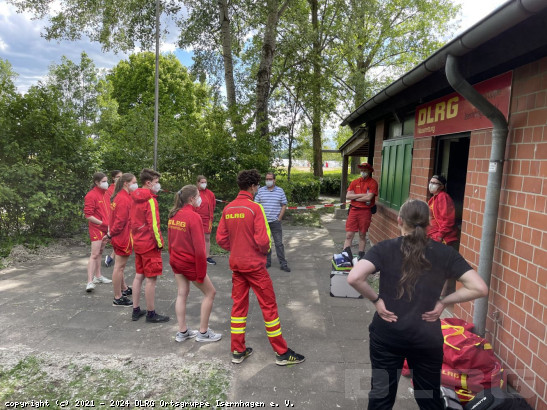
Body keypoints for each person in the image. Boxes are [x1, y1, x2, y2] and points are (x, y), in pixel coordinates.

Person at [347, 199, 488, 409]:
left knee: (381, 395)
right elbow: (480, 288)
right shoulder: (445, 253)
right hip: (426, 338)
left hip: (388, 335)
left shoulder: (385, 248)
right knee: (428, 397)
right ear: (429, 223)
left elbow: (354, 278)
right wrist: (443, 302)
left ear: (399, 220)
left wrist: (376, 300)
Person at [216, 169, 305, 366]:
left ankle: (237, 351)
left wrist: (237, 247)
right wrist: (259, 252)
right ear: (253, 186)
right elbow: (264, 241)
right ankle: (281, 353)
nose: (258, 188)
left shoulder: (228, 208)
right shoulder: (255, 208)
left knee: (238, 308)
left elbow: (220, 239)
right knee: (269, 307)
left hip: (237, 265)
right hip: (255, 267)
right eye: (257, 185)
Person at [168, 185, 222, 343]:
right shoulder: (194, 217)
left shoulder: (173, 215)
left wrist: (173, 261)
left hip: (176, 261)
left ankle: (182, 331)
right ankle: (203, 333)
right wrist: (201, 272)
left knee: (182, 293)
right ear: (191, 199)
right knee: (210, 293)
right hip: (189, 263)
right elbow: (200, 249)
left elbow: (170, 242)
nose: (200, 199)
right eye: (198, 196)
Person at [130, 168, 169, 323]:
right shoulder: (150, 200)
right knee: (151, 279)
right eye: (156, 182)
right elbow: (154, 225)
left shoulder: (133, 197)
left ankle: (136, 310)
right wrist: (160, 243)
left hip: (138, 242)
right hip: (149, 244)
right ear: (148, 183)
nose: (158, 185)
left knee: (139, 275)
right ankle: (151, 314)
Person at [109, 173, 137, 306]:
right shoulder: (124, 199)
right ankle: (118, 297)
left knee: (119, 267)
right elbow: (120, 221)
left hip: (119, 236)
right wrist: (111, 234)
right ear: (126, 183)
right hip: (123, 237)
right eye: (134, 182)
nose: (136, 185)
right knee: (119, 267)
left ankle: (123, 289)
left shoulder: (120, 196)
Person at [342, 162, 378, 262]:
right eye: (361, 170)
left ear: (369, 171)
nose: (363, 172)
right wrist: (362, 195)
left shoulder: (373, 183)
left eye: (365, 170)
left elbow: (369, 198)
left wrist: (355, 197)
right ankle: (345, 255)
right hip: (353, 211)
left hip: (365, 212)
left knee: (362, 235)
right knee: (349, 235)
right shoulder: (355, 182)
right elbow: (348, 196)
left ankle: (361, 255)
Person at [254, 172, 290, 272]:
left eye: (270, 179)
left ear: (274, 180)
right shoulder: (260, 191)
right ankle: (267, 262)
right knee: (265, 243)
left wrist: (280, 218)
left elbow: (284, 204)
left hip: (275, 222)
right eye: (267, 179)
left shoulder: (280, 191)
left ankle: (283, 264)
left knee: (279, 243)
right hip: (263, 223)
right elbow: (256, 205)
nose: (268, 181)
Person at [83, 172, 113, 292]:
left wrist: (109, 226)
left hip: (106, 228)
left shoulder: (106, 194)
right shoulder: (91, 195)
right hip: (96, 228)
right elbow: (88, 215)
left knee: (100, 252)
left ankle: (98, 276)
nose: (106, 183)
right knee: (94, 254)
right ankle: (89, 282)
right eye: (104, 181)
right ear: (96, 182)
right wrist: (103, 223)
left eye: (107, 181)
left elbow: (109, 211)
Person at [427, 175, 459, 249]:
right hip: (431, 235)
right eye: (431, 182)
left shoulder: (443, 197)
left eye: (434, 183)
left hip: (440, 237)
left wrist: (440, 235)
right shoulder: (433, 198)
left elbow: (448, 220)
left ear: (442, 186)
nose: (431, 185)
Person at [194, 175, 217, 265]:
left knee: (207, 238)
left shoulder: (210, 194)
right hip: (196, 218)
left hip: (207, 219)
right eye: (202, 182)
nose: (204, 184)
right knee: (196, 237)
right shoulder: (194, 192)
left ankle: (207, 256)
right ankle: (196, 256)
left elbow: (213, 205)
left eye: (205, 182)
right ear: (198, 183)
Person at [105, 170, 122, 267]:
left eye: (121, 176)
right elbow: (109, 205)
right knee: (118, 238)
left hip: (123, 215)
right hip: (115, 216)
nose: (120, 178)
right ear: (113, 178)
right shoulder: (110, 190)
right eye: (118, 176)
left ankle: (112, 257)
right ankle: (112, 257)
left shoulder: (123, 187)